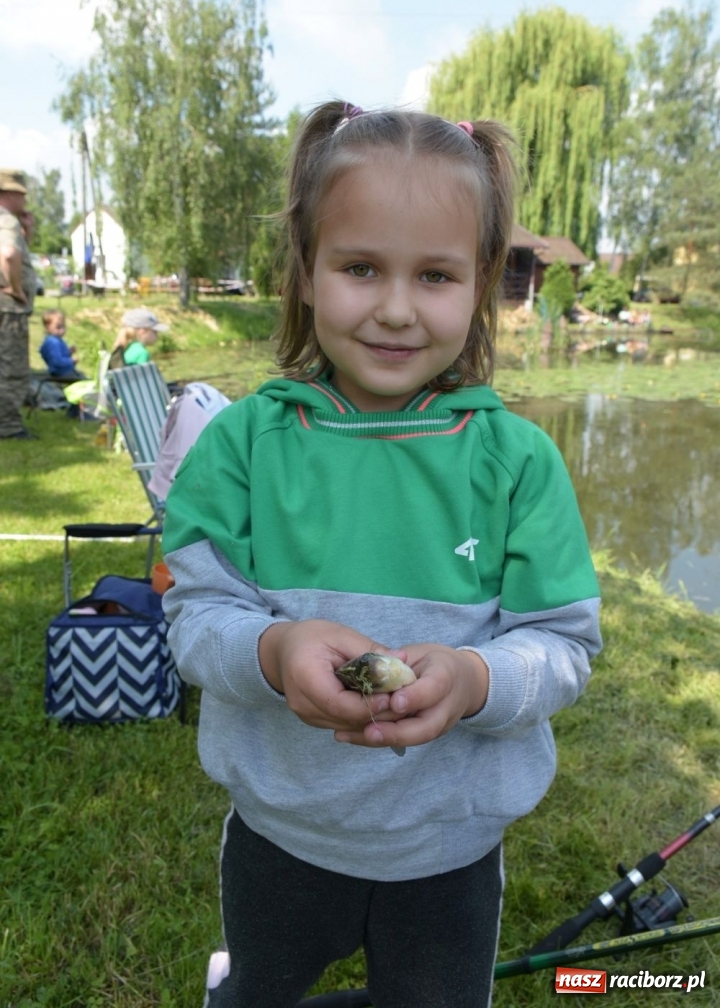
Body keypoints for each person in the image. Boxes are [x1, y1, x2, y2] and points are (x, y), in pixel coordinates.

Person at [162, 101, 603, 1008]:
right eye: (361, 267)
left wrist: (478, 680)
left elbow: (563, 646)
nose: (396, 310)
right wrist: (273, 652)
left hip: (453, 847)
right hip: (279, 836)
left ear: (480, 283)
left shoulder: (521, 463)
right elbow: (194, 619)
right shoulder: (242, 447)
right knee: (262, 993)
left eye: (435, 275)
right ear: (308, 271)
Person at [0, 168, 39, 439]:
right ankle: (9, 427)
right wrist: (16, 290)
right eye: (21, 193)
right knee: (11, 368)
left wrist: (27, 230)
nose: (25, 199)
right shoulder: (6, 222)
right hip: (8, 308)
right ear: (10, 193)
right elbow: (9, 254)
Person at [39, 309, 85, 380]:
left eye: (63, 327)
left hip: (63, 371)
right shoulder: (53, 342)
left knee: (82, 375)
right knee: (83, 380)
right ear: (47, 327)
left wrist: (69, 352)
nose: (62, 330)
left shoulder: (56, 340)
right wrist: (71, 360)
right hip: (60, 372)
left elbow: (60, 355)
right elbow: (57, 361)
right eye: (58, 327)